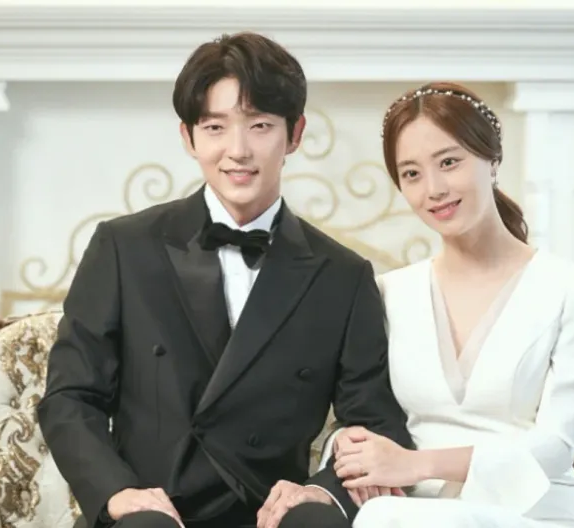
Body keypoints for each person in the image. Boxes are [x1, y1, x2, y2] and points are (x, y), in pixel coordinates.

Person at [36, 32, 412, 528]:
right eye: (215, 127)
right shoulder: (123, 247)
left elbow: (374, 422)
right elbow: (71, 396)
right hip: (154, 513)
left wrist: (320, 491)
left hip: (270, 514)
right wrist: (117, 492)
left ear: (295, 134)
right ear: (188, 137)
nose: (238, 150)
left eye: (260, 126)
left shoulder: (343, 275)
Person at [329, 82, 574, 527]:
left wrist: (416, 464)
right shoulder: (389, 294)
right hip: (416, 513)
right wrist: (350, 443)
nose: (434, 189)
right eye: (412, 174)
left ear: (492, 160)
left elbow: (556, 447)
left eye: (449, 162)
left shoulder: (569, 287)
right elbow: (365, 414)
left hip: (533, 512)